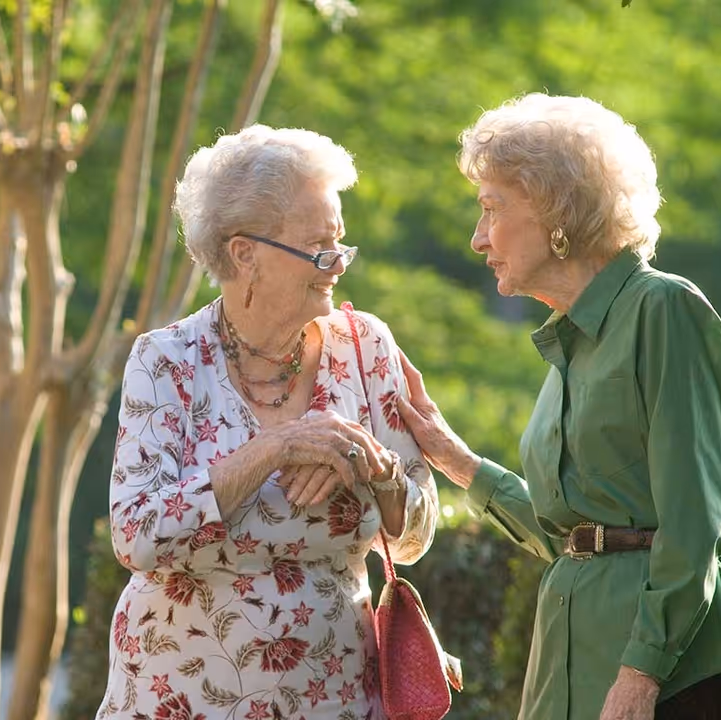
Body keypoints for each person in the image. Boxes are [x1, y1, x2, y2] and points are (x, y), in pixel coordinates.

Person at [396, 94, 721, 720]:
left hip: (667, 673)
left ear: (556, 208)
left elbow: (696, 522)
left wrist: (640, 675)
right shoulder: (569, 344)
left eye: (492, 209)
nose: (477, 237)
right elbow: (574, 535)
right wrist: (456, 460)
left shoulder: (663, 310)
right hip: (569, 664)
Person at [96, 125, 439, 719]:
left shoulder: (366, 348)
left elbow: (413, 538)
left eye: (341, 244)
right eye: (317, 248)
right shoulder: (165, 360)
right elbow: (136, 534)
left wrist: (374, 472)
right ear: (243, 253)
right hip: (181, 696)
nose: (336, 264)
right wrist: (275, 448)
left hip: (336, 697)